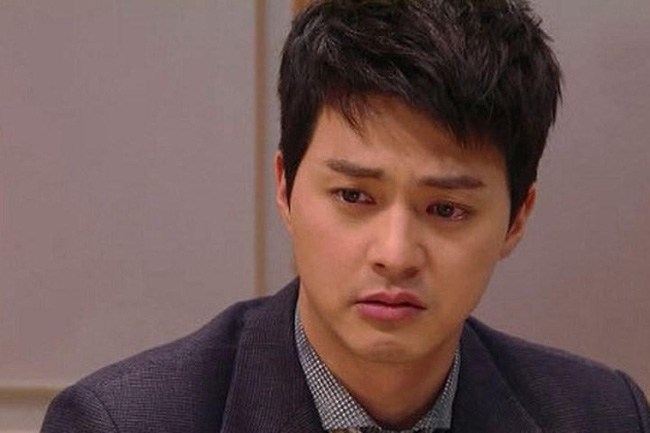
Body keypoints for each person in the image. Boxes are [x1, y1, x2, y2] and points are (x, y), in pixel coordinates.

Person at [41, 1, 649, 432]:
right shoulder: (126, 421)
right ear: (285, 188)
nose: (396, 254)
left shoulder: (602, 416)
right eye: (354, 197)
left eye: (446, 208)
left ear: (517, 219)